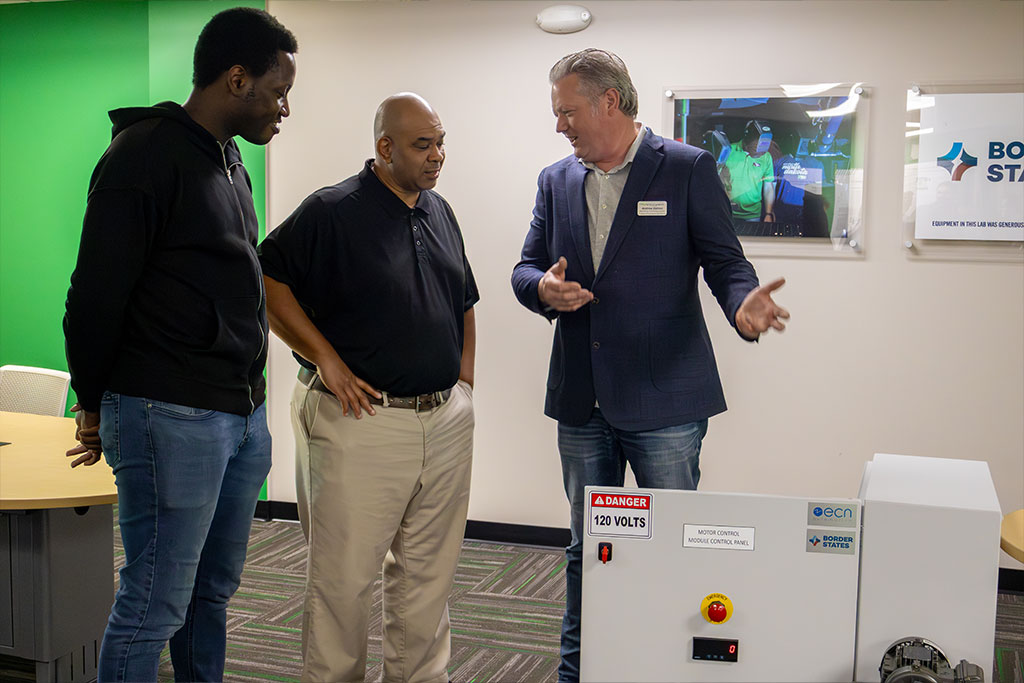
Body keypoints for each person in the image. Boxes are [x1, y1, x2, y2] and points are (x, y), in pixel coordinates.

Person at [510, 48, 789, 683]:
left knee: (669, 549)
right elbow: (525, 266)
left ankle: (667, 669)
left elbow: (724, 260)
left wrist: (744, 304)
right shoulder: (555, 180)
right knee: (587, 551)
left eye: (567, 111)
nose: (560, 126)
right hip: (583, 402)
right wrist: (541, 291)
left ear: (609, 102)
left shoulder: (686, 168)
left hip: (666, 402)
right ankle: (577, 672)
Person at [62, 8, 297, 681]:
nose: (284, 107)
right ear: (235, 78)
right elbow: (95, 296)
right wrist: (91, 403)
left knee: (209, 594)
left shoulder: (231, 161)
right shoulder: (141, 155)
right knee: (153, 603)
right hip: (169, 413)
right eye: (278, 90)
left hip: (238, 415)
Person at [258, 92, 478, 683]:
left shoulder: (439, 210)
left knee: (428, 577)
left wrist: (463, 381)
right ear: (384, 149)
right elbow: (268, 278)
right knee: (343, 581)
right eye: (422, 145)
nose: (437, 157)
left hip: (445, 421)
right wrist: (322, 358)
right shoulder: (332, 210)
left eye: (440, 142)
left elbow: (463, 298)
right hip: (363, 422)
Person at [721, 119, 777, 225]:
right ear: (747, 136)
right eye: (756, 149)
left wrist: (768, 213)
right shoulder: (728, 151)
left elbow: (768, 186)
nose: (759, 154)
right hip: (728, 212)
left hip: (753, 215)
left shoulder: (766, 157)